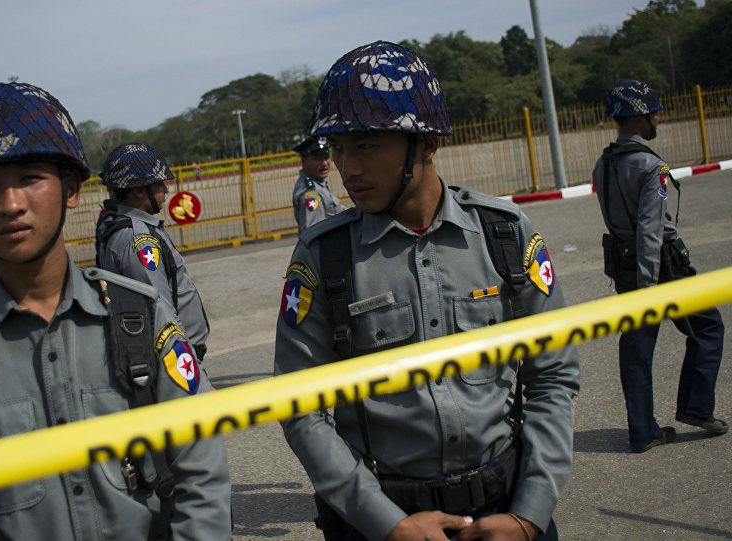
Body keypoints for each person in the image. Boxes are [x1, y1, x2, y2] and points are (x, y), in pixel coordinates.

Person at [0, 82, 231, 541]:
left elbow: (202, 471)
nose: (11, 205)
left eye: (30, 178)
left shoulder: (141, 317)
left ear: (70, 189)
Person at [274, 41, 579, 541]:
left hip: (505, 511)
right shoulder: (323, 257)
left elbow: (552, 376)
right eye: (339, 148)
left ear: (428, 144)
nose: (348, 168)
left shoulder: (505, 234)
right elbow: (300, 407)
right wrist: (386, 524)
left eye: (366, 145)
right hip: (382, 520)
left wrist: (530, 513)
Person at [593, 79, 726, 453]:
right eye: (654, 112)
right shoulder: (653, 168)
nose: (657, 119)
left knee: (636, 346)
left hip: (624, 263)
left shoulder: (602, 165)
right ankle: (696, 408)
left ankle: (642, 430)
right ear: (639, 116)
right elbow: (650, 229)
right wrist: (651, 288)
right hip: (661, 264)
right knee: (707, 328)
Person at [95, 143, 210, 360]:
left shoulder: (125, 227)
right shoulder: (139, 240)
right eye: (159, 184)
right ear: (139, 190)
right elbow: (161, 315)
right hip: (177, 357)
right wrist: (193, 372)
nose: (166, 190)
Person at [292, 135, 345, 232]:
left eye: (326, 157)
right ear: (304, 161)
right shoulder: (311, 194)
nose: (324, 163)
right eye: (317, 158)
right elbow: (313, 233)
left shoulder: (318, 183)